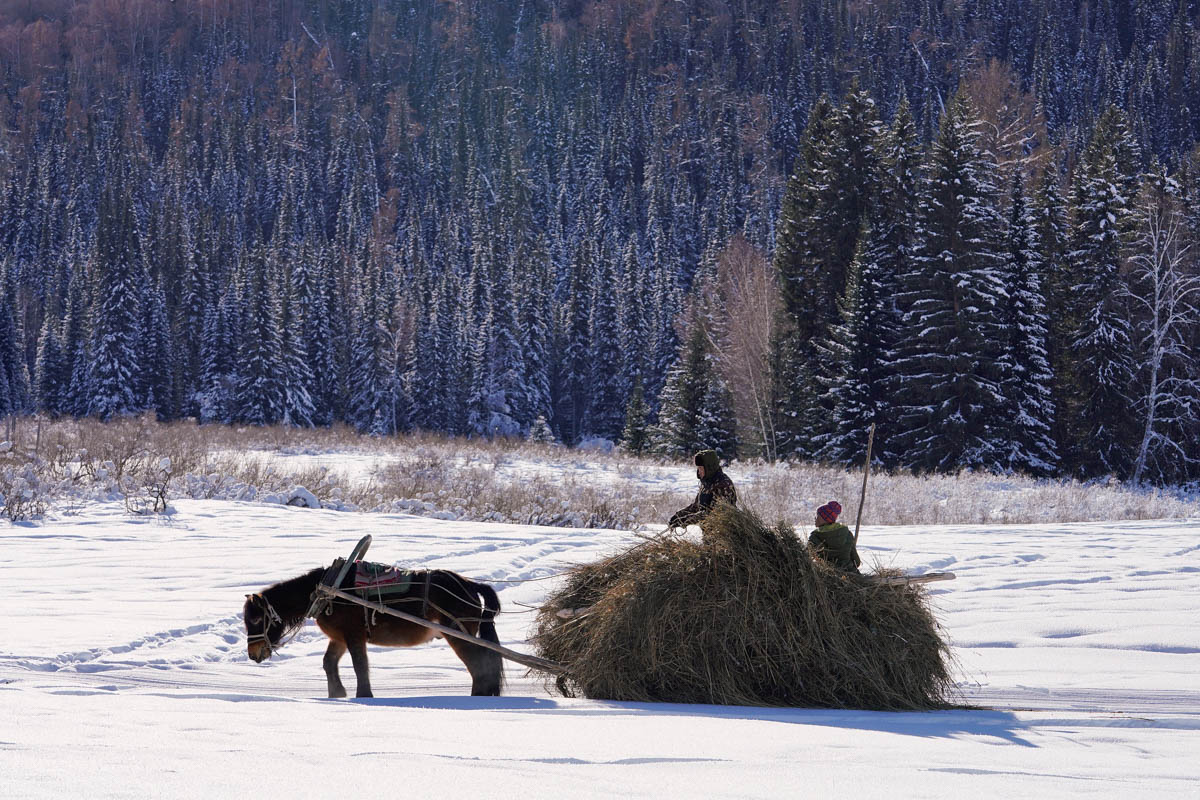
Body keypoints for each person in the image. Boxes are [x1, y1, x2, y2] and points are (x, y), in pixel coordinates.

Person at [668, 449, 737, 530]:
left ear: (709, 468)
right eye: (698, 468)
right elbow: (696, 507)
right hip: (710, 534)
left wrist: (685, 520)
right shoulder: (707, 484)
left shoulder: (723, 484)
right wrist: (679, 516)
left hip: (725, 533)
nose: (699, 472)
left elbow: (714, 514)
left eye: (701, 468)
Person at [807, 501, 861, 573]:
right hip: (851, 574)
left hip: (826, 575)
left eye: (817, 516)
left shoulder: (815, 537)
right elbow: (856, 562)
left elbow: (806, 558)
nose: (815, 518)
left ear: (824, 518)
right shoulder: (847, 533)